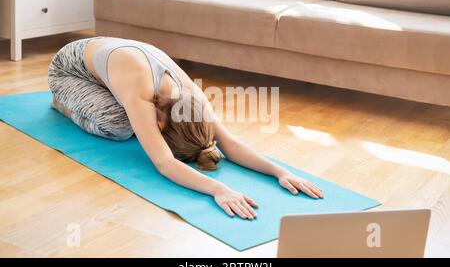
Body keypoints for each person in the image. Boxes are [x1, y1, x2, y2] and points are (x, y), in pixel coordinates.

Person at [48, 37, 324, 220]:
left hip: (108, 57)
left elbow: (230, 144)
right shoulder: (140, 91)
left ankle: (98, 91)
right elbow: (164, 163)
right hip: (67, 70)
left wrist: (281, 172)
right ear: (160, 124)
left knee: (129, 121)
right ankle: (62, 104)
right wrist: (218, 189)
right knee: (119, 126)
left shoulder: (195, 100)